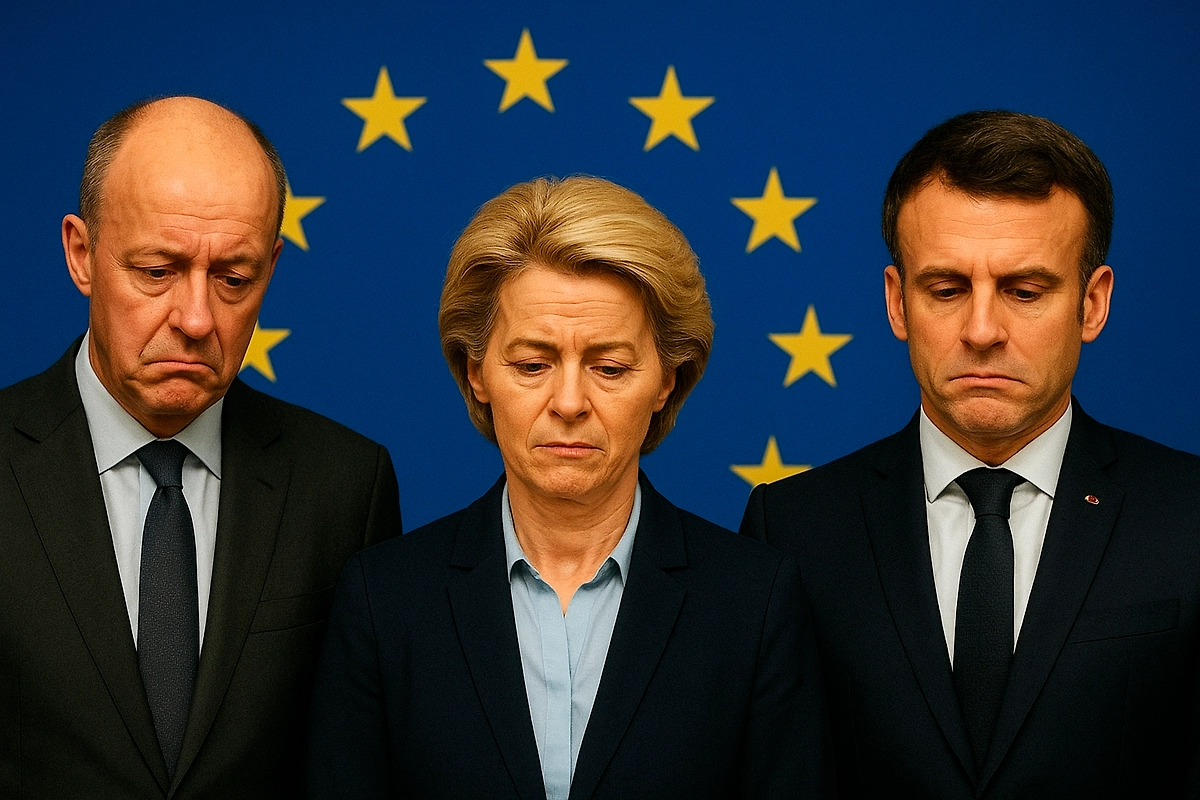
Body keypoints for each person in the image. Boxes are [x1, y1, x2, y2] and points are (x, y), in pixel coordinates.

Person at [307, 176, 832, 798]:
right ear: (477, 372)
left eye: (610, 367)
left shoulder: (756, 601)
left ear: (667, 379)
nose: (569, 402)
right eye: (533, 364)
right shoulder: (383, 599)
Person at [740, 109, 1200, 797]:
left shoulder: (1189, 517)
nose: (982, 330)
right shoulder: (792, 529)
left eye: (1025, 291)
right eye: (947, 289)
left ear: (1093, 304)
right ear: (898, 303)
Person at [0, 96, 402, 797]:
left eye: (233, 279)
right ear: (81, 254)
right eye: (157, 271)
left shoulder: (345, 485)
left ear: (271, 267)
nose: (195, 318)